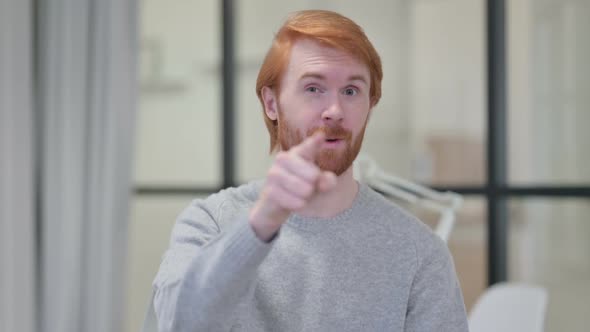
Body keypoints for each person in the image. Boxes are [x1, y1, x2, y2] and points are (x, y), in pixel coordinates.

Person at [152, 9, 468, 332]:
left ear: (370, 106)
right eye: (314, 88)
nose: (334, 111)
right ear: (271, 104)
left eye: (351, 91)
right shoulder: (210, 222)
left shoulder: (420, 253)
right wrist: (259, 227)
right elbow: (177, 322)